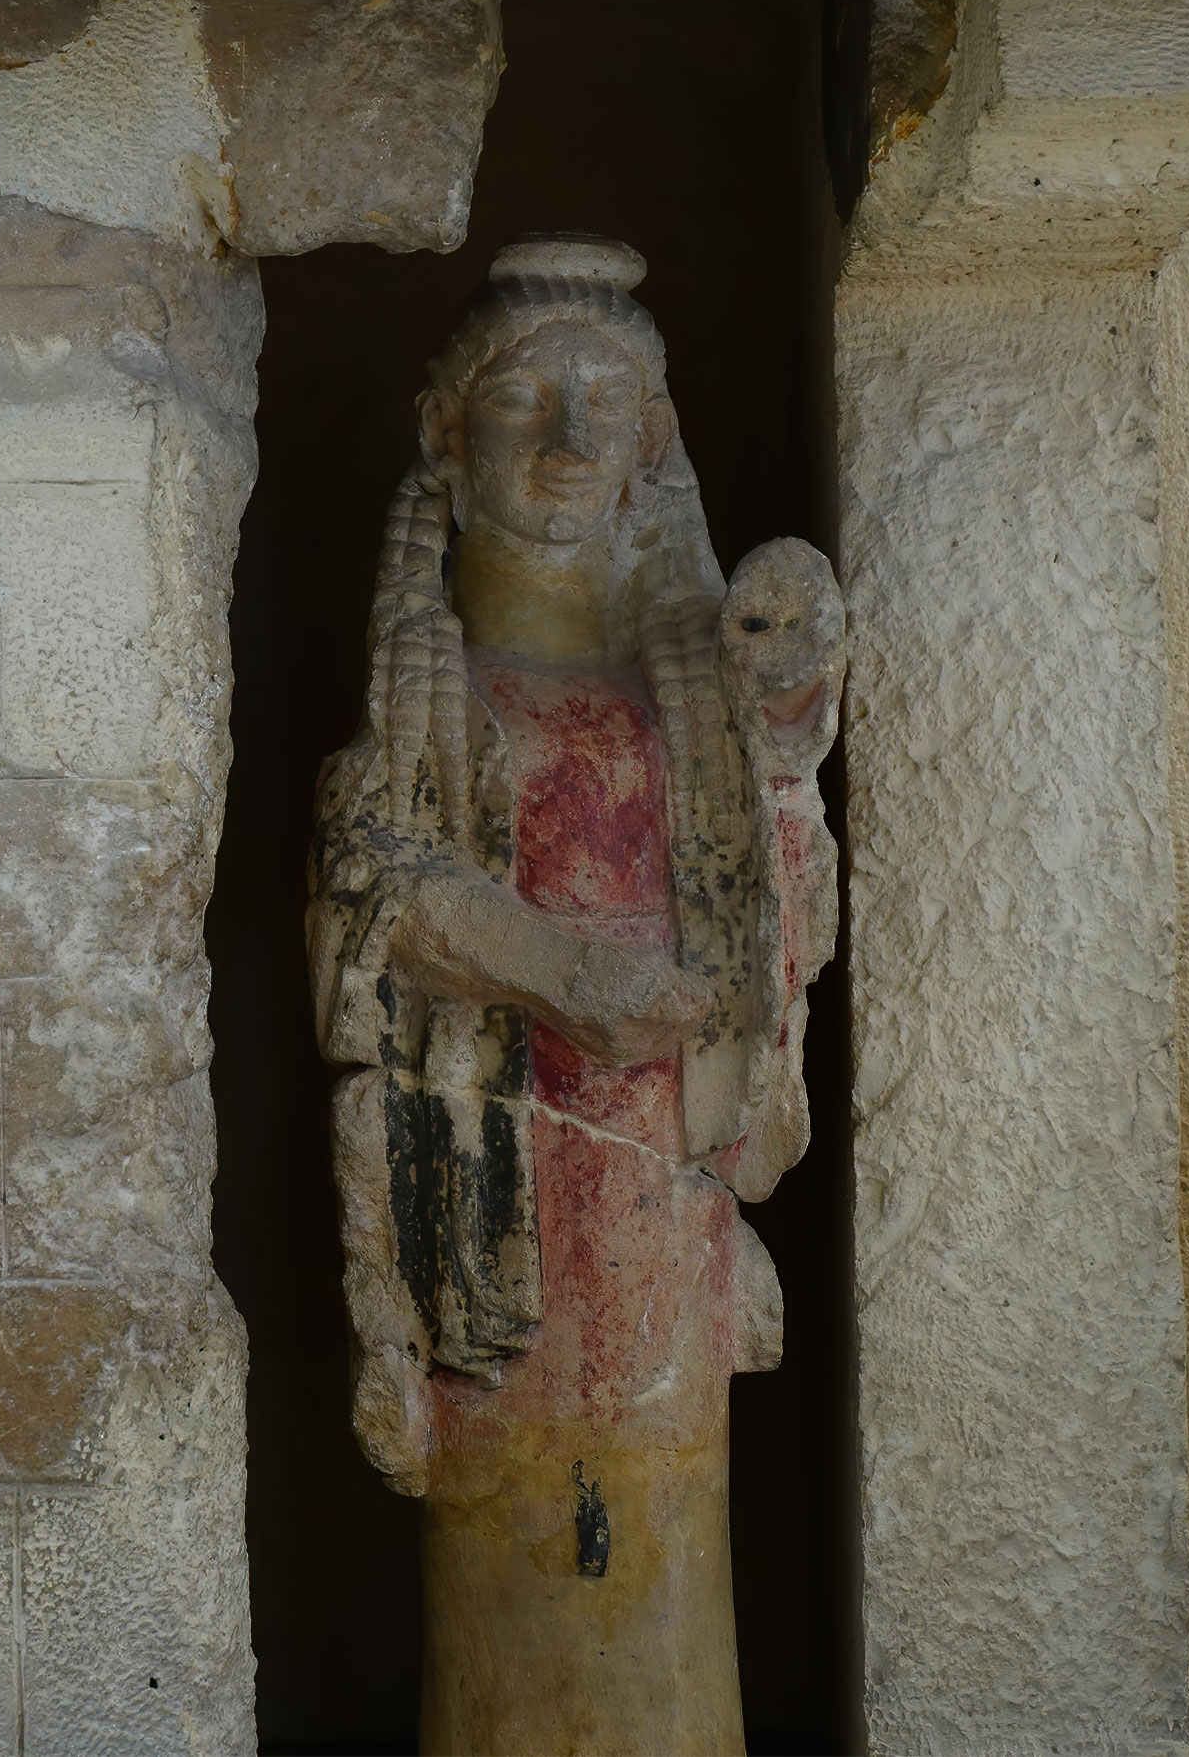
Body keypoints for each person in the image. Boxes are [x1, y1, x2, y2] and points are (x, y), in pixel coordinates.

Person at [309, 233, 845, 1754]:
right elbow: (372, 888)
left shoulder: (686, 710)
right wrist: (561, 968)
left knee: (669, 1583)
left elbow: (766, 903)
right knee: (510, 1588)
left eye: (607, 396)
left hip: (662, 1216)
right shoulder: (430, 699)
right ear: (445, 432)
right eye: (526, 395)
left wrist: (789, 728)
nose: (567, 435)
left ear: (654, 437)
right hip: (491, 1203)